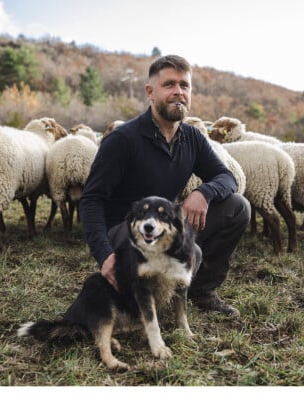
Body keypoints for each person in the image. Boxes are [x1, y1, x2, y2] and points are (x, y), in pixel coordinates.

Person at [79, 55, 250, 316]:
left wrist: (203, 192)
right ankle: (145, 289)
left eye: (184, 85)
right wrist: (104, 256)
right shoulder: (123, 140)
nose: (178, 92)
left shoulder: (192, 138)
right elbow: (91, 200)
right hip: (126, 230)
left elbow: (226, 177)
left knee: (238, 206)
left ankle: (201, 290)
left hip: (166, 223)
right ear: (150, 92)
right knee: (191, 251)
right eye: (169, 84)